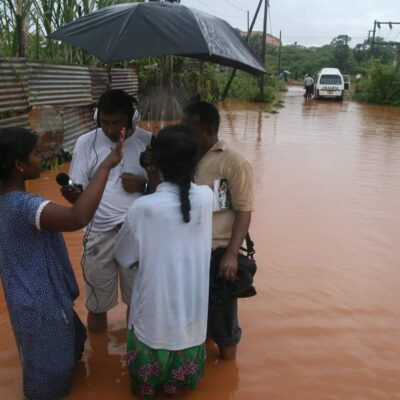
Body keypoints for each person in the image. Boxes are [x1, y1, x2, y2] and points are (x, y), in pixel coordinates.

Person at [0, 126, 124, 400]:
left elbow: (69, 215)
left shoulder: (6, 203)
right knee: (47, 388)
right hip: (43, 308)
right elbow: (77, 218)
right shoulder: (25, 206)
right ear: (19, 165)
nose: (40, 158)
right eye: (34, 154)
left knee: (72, 349)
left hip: (31, 302)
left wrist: (77, 202)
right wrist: (106, 165)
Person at [115, 124, 213, 398]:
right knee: (177, 393)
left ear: (154, 164)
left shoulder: (143, 208)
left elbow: (124, 257)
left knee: (144, 392)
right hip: (191, 326)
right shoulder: (207, 197)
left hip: (152, 327)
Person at [61, 89, 152, 333]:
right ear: (96, 118)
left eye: (117, 123)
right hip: (98, 235)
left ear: (132, 118)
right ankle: (100, 360)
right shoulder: (85, 143)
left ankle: (135, 354)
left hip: (138, 235)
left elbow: (166, 191)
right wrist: (73, 195)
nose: (110, 129)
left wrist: (143, 185)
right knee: (96, 306)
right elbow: (78, 190)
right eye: (105, 123)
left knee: (139, 303)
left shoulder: (149, 142)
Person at [183, 101, 255, 361]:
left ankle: (227, 372)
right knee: (193, 317)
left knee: (224, 324)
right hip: (189, 251)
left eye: (189, 128)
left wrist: (232, 254)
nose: (183, 132)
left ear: (209, 129)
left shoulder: (234, 162)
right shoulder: (185, 158)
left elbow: (244, 210)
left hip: (218, 251)